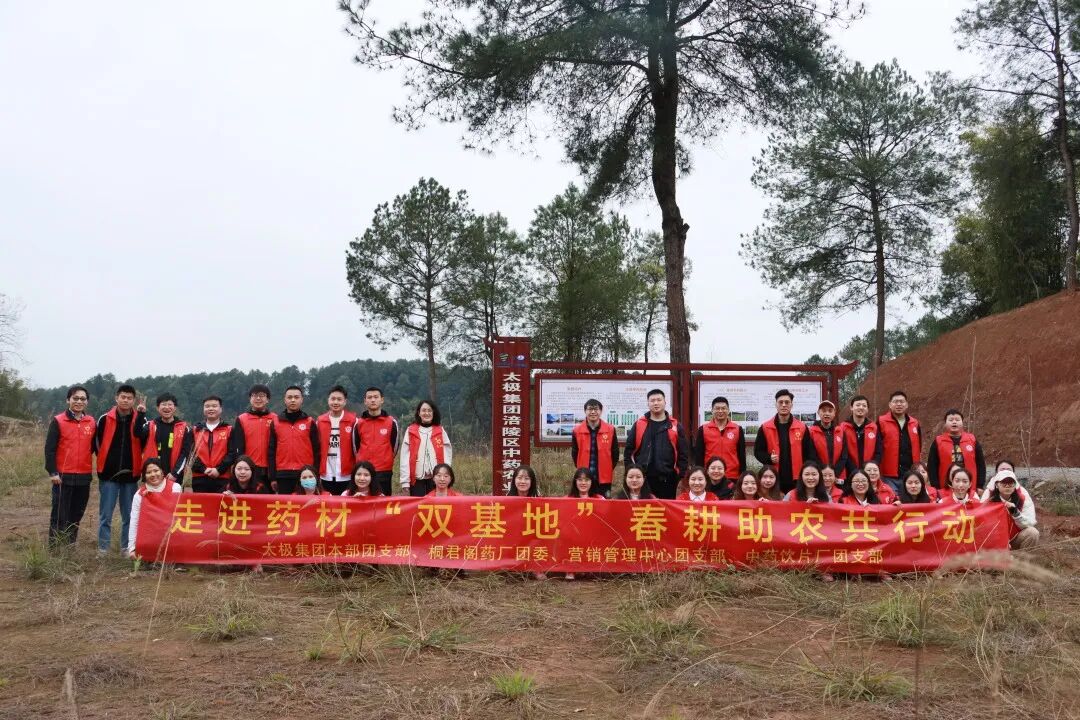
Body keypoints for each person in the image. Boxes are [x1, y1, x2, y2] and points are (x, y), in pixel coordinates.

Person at [93, 384, 146, 554]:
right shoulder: (104, 419)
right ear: (116, 398)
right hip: (108, 475)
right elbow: (97, 443)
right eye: (123, 397)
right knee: (105, 515)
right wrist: (105, 461)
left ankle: (126, 547)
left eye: (129, 398)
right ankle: (103, 549)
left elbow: (144, 442)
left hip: (130, 476)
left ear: (134, 400)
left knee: (129, 515)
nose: (126, 400)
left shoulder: (141, 420)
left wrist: (141, 414)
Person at [44, 386, 97, 545]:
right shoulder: (58, 421)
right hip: (62, 476)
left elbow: (94, 447)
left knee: (77, 513)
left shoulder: (91, 422)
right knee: (59, 514)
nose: (79, 401)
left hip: (83, 476)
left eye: (82, 399)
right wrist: (53, 472)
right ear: (68, 400)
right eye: (75, 398)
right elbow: (50, 449)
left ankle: (70, 545)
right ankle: (55, 548)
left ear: (87, 402)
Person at [623, 388, 689, 499]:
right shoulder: (639, 424)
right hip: (643, 479)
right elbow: (629, 451)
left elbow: (683, 453)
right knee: (644, 508)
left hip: (668, 479)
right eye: (652, 400)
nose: (656, 403)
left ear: (665, 402)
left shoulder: (675, 425)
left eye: (659, 400)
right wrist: (631, 472)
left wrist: (680, 474)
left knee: (665, 508)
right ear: (648, 403)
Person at [754, 389, 813, 494]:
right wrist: (769, 458)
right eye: (780, 402)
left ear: (791, 405)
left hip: (797, 479)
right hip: (773, 479)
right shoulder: (765, 427)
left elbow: (809, 454)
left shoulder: (802, 427)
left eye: (787, 402)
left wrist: (807, 474)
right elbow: (758, 452)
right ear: (776, 405)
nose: (784, 405)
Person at [127, 457, 183, 559]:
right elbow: (134, 521)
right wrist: (132, 548)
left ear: (162, 472)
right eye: (148, 472)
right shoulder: (139, 495)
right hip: (149, 538)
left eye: (156, 470)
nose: (153, 475)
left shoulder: (175, 488)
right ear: (144, 476)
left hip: (172, 535)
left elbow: (180, 516)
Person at [268, 385, 320, 494]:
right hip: (283, 474)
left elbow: (317, 451)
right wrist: (272, 477)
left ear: (302, 400)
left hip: (305, 474)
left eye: (296, 397)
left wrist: (316, 473)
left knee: (305, 503)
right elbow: (271, 451)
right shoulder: (276, 422)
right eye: (289, 397)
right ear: (285, 400)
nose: (293, 400)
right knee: (286, 504)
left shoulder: (309, 422)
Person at [136, 393, 192, 488]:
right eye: (163, 404)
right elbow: (137, 433)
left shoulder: (184, 428)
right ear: (157, 408)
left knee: (173, 498)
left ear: (175, 408)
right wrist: (141, 414)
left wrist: (175, 473)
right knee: (151, 498)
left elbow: (185, 454)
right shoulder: (150, 425)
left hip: (174, 477)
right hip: (152, 475)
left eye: (170, 404)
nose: (167, 407)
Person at [354, 386, 400, 497]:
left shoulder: (391, 422)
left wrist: (386, 459)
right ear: (365, 401)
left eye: (376, 397)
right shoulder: (358, 423)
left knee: (383, 502)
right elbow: (355, 448)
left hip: (384, 470)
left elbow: (395, 447)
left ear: (382, 400)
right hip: (364, 471)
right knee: (363, 501)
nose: (373, 400)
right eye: (369, 397)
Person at [400, 399, 452, 497]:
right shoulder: (411, 431)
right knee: (417, 504)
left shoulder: (440, 431)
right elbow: (405, 457)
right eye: (423, 410)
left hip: (436, 478)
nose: (426, 413)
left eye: (429, 410)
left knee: (435, 504)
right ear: (419, 413)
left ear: (433, 413)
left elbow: (447, 455)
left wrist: (445, 476)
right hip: (416, 478)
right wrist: (405, 481)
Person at [926, 409, 986, 493]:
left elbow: (980, 464)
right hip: (945, 486)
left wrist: (980, 485)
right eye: (951, 420)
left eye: (957, 420)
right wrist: (935, 487)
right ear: (945, 423)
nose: (954, 422)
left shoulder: (972, 440)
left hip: (969, 485)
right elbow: (932, 466)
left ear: (962, 422)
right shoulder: (938, 441)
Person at [230, 384, 277, 489]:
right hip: (249, 470)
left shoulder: (275, 419)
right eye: (254, 395)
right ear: (250, 399)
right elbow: (239, 447)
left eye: (262, 395)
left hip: (270, 470)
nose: (258, 398)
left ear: (268, 399)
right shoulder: (241, 419)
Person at [875, 390, 922, 494]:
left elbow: (919, 446)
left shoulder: (914, 423)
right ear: (890, 405)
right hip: (888, 475)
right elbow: (876, 448)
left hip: (910, 474)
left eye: (902, 401)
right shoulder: (882, 422)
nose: (899, 404)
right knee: (891, 501)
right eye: (895, 401)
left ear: (907, 404)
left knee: (910, 502)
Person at [570, 399, 620, 497]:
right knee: (584, 502)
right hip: (584, 477)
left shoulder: (610, 429)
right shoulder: (577, 431)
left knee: (604, 503)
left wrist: (607, 467)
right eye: (590, 409)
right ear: (585, 411)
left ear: (601, 411)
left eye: (596, 409)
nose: (593, 412)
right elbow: (575, 453)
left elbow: (615, 454)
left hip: (604, 477)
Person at [693, 396, 746, 486]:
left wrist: (742, 475)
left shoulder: (737, 429)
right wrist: (701, 474)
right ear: (712, 411)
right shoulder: (703, 429)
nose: (720, 411)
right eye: (717, 408)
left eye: (723, 408)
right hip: (710, 475)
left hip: (732, 476)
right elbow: (699, 456)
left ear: (728, 410)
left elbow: (742, 455)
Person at [317, 385, 357, 496]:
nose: (335, 402)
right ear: (328, 400)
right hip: (326, 474)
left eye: (339, 399)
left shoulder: (353, 421)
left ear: (345, 402)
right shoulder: (320, 421)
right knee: (327, 503)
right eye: (333, 399)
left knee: (346, 503)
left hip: (347, 474)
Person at [982, 469, 1039, 549]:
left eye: (1011, 483)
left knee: (1033, 533)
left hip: (1015, 537)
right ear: (997, 485)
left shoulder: (1022, 499)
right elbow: (983, 525)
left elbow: (1030, 522)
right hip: (995, 540)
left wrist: (1016, 513)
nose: (1007, 486)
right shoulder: (989, 501)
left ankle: (1023, 556)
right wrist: (1001, 541)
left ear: (1015, 485)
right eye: (1004, 483)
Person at [190, 395, 235, 493]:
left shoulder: (229, 430)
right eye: (207, 406)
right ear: (203, 409)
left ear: (221, 409)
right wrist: (203, 469)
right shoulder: (195, 430)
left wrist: (219, 470)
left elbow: (232, 454)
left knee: (221, 503)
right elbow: (190, 453)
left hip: (222, 477)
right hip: (199, 477)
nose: (210, 409)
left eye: (214, 406)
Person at [840, 395, 878, 479]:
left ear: (867, 409)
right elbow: (842, 451)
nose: (861, 407)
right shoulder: (843, 427)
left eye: (864, 405)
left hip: (869, 472)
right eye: (858, 405)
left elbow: (878, 451)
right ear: (851, 407)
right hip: (849, 472)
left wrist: (871, 467)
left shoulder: (874, 427)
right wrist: (852, 469)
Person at [808, 400, 848, 480]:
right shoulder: (811, 432)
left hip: (839, 475)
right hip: (819, 475)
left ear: (834, 414)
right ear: (818, 413)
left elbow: (844, 456)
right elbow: (812, 456)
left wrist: (835, 473)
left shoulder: (841, 432)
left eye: (830, 411)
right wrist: (824, 473)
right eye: (823, 411)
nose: (827, 413)